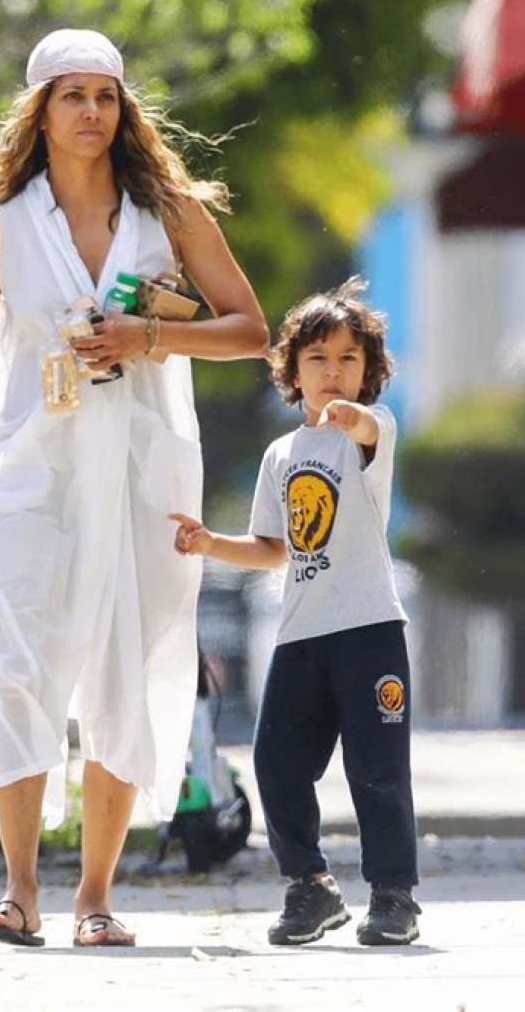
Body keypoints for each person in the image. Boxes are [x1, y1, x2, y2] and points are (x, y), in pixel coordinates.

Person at [0, 27, 268, 948]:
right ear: (40, 112)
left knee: (124, 665)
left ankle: (95, 898)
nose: (91, 112)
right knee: (19, 668)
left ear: (124, 111)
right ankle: (19, 892)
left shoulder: (166, 215)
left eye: (106, 96)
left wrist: (150, 337)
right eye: (72, 95)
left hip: (142, 476)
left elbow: (250, 331)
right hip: (26, 473)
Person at [170, 277, 422, 947]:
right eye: (318, 358)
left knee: (377, 769)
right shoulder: (281, 455)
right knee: (276, 762)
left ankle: (394, 896)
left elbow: (364, 426)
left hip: (369, 629)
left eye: (347, 358)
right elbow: (273, 549)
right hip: (301, 635)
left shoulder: (372, 432)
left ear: (367, 370)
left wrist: (350, 417)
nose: (333, 370)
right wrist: (208, 542)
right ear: (292, 369)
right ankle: (310, 886)